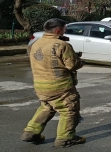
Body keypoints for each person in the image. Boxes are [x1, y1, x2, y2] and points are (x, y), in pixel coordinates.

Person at [21, 18, 86, 148]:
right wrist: (79, 60)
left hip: (40, 85)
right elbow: (72, 65)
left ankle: (31, 132)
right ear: (58, 30)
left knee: (47, 107)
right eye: (64, 29)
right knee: (69, 110)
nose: (64, 31)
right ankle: (65, 138)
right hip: (60, 86)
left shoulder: (36, 43)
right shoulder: (62, 45)